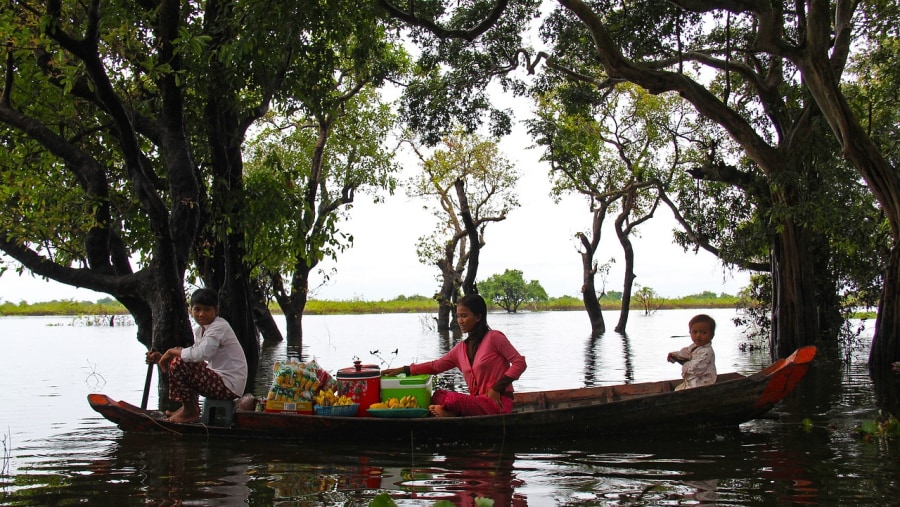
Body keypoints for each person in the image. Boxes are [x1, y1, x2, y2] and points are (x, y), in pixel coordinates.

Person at [382, 293, 527, 417]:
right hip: (477, 403)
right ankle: (453, 412)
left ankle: (451, 413)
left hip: (498, 402)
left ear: (478, 317)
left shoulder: (494, 337)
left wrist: (496, 389)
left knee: (452, 399)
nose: (460, 321)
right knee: (438, 395)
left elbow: (519, 363)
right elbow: (435, 366)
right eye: (458, 316)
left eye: (464, 316)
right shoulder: (460, 349)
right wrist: (406, 369)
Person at [146, 288, 248, 423]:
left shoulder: (219, 327)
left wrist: (170, 352)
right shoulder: (202, 330)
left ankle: (190, 411)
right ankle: (188, 409)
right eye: (197, 309)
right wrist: (163, 357)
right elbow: (193, 354)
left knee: (180, 362)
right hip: (221, 381)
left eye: (207, 310)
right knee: (181, 361)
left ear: (216, 310)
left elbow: (200, 354)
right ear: (191, 310)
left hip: (228, 386)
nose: (201, 314)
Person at [667, 313, 717, 390]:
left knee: (680, 392)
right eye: (695, 332)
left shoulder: (707, 352)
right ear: (690, 333)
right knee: (677, 389)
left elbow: (696, 368)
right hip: (692, 381)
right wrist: (675, 355)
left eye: (704, 333)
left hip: (703, 383)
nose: (698, 335)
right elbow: (685, 353)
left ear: (711, 335)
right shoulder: (694, 346)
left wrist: (684, 364)